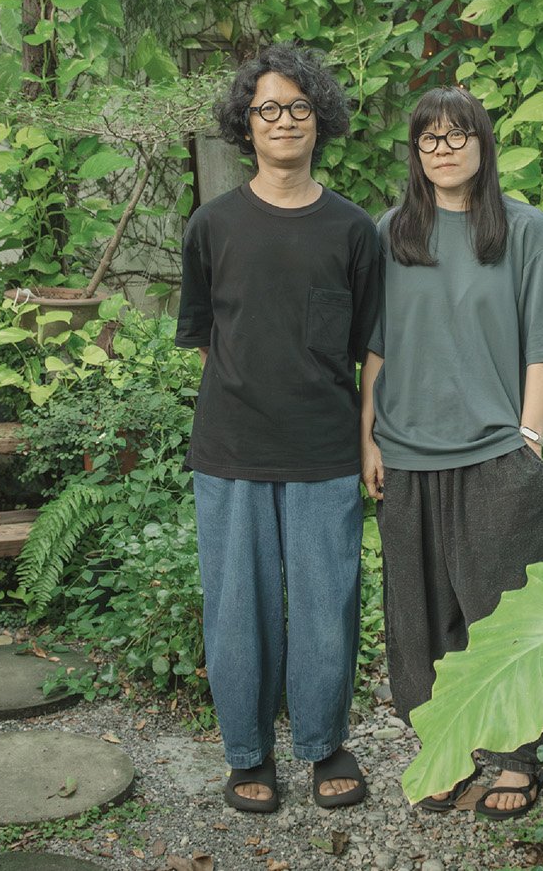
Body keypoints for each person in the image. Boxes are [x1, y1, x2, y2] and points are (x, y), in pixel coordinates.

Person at [361, 86, 543, 821]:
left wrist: (530, 439)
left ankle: (516, 758)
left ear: (483, 144)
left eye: (458, 135)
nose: (443, 148)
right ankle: (443, 753)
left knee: (502, 612)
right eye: (429, 138)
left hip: (495, 453)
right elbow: (376, 348)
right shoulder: (390, 234)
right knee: (418, 620)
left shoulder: (524, 230)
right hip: (406, 455)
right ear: (416, 153)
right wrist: (367, 439)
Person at [176, 43, 382, 814]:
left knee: (328, 608)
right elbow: (206, 336)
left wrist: (369, 440)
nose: (284, 120)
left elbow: (372, 348)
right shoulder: (212, 226)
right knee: (238, 612)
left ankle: (325, 744)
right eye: (268, 108)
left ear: (320, 119)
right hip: (231, 450)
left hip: (326, 449)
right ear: (246, 124)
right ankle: (247, 753)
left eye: (298, 107)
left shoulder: (353, 230)